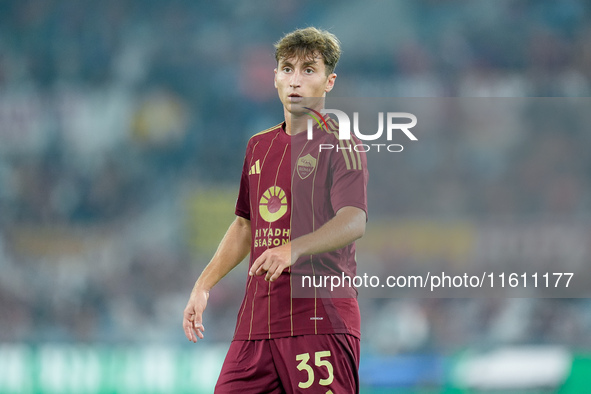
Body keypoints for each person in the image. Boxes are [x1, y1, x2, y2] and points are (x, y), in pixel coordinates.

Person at [183, 27, 368, 393]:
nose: (295, 80)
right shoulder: (258, 146)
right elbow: (244, 225)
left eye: (308, 70)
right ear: (274, 78)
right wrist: (203, 285)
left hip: (319, 323)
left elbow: (353, 219)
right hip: (255, 328)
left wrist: (292, 248)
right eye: (287, 68)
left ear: (329, 81)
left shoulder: (341, 140)